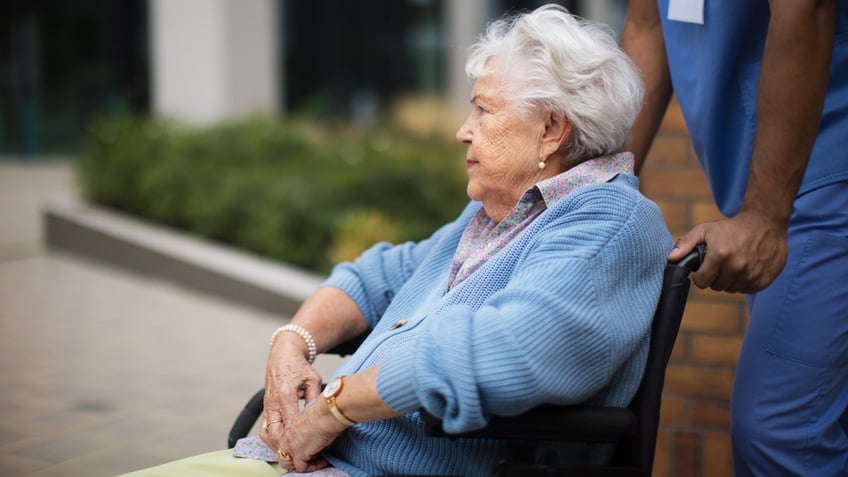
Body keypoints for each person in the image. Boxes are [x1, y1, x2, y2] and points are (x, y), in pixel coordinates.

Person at [122, 5, 672, 477]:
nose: (463, 128)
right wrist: (291, 345)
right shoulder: (496, 214)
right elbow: (375, 276)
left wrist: (334, 408)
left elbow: (502, 353)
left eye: (483, 109)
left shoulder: (609, 225)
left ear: (552, 130)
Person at [621, 1, 848, 475]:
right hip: (767, 189)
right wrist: (600, 187)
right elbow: (648, 26)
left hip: (825, 176)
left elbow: (805, 8)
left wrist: (766, 216)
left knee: (781, 434)